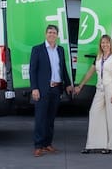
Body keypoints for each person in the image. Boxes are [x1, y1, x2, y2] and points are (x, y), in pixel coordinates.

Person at [74, 34, 112, 154]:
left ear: (110, 44)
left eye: (107, 42)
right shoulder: (98, 58)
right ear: (100, 45)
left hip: (111, 89)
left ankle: (110, 146)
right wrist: (80, 86)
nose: (104, 45)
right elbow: (89, 73)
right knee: (94, 113)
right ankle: (92, 144)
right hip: (100, 89)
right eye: (102, 43)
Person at [30, 24, 73, 157]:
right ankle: (38, 146)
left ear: (57, 35)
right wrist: (34, 88)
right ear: (45, 34)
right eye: (49, 32)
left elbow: (63, 69)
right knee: (40, 118)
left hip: (56, 89)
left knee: (50, 119)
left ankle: (47, 144)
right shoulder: (37, 49)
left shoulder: (60, 50)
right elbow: (32, 70)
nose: (52, 35)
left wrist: (67, 84)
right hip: (43, 89)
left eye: (54, 33)